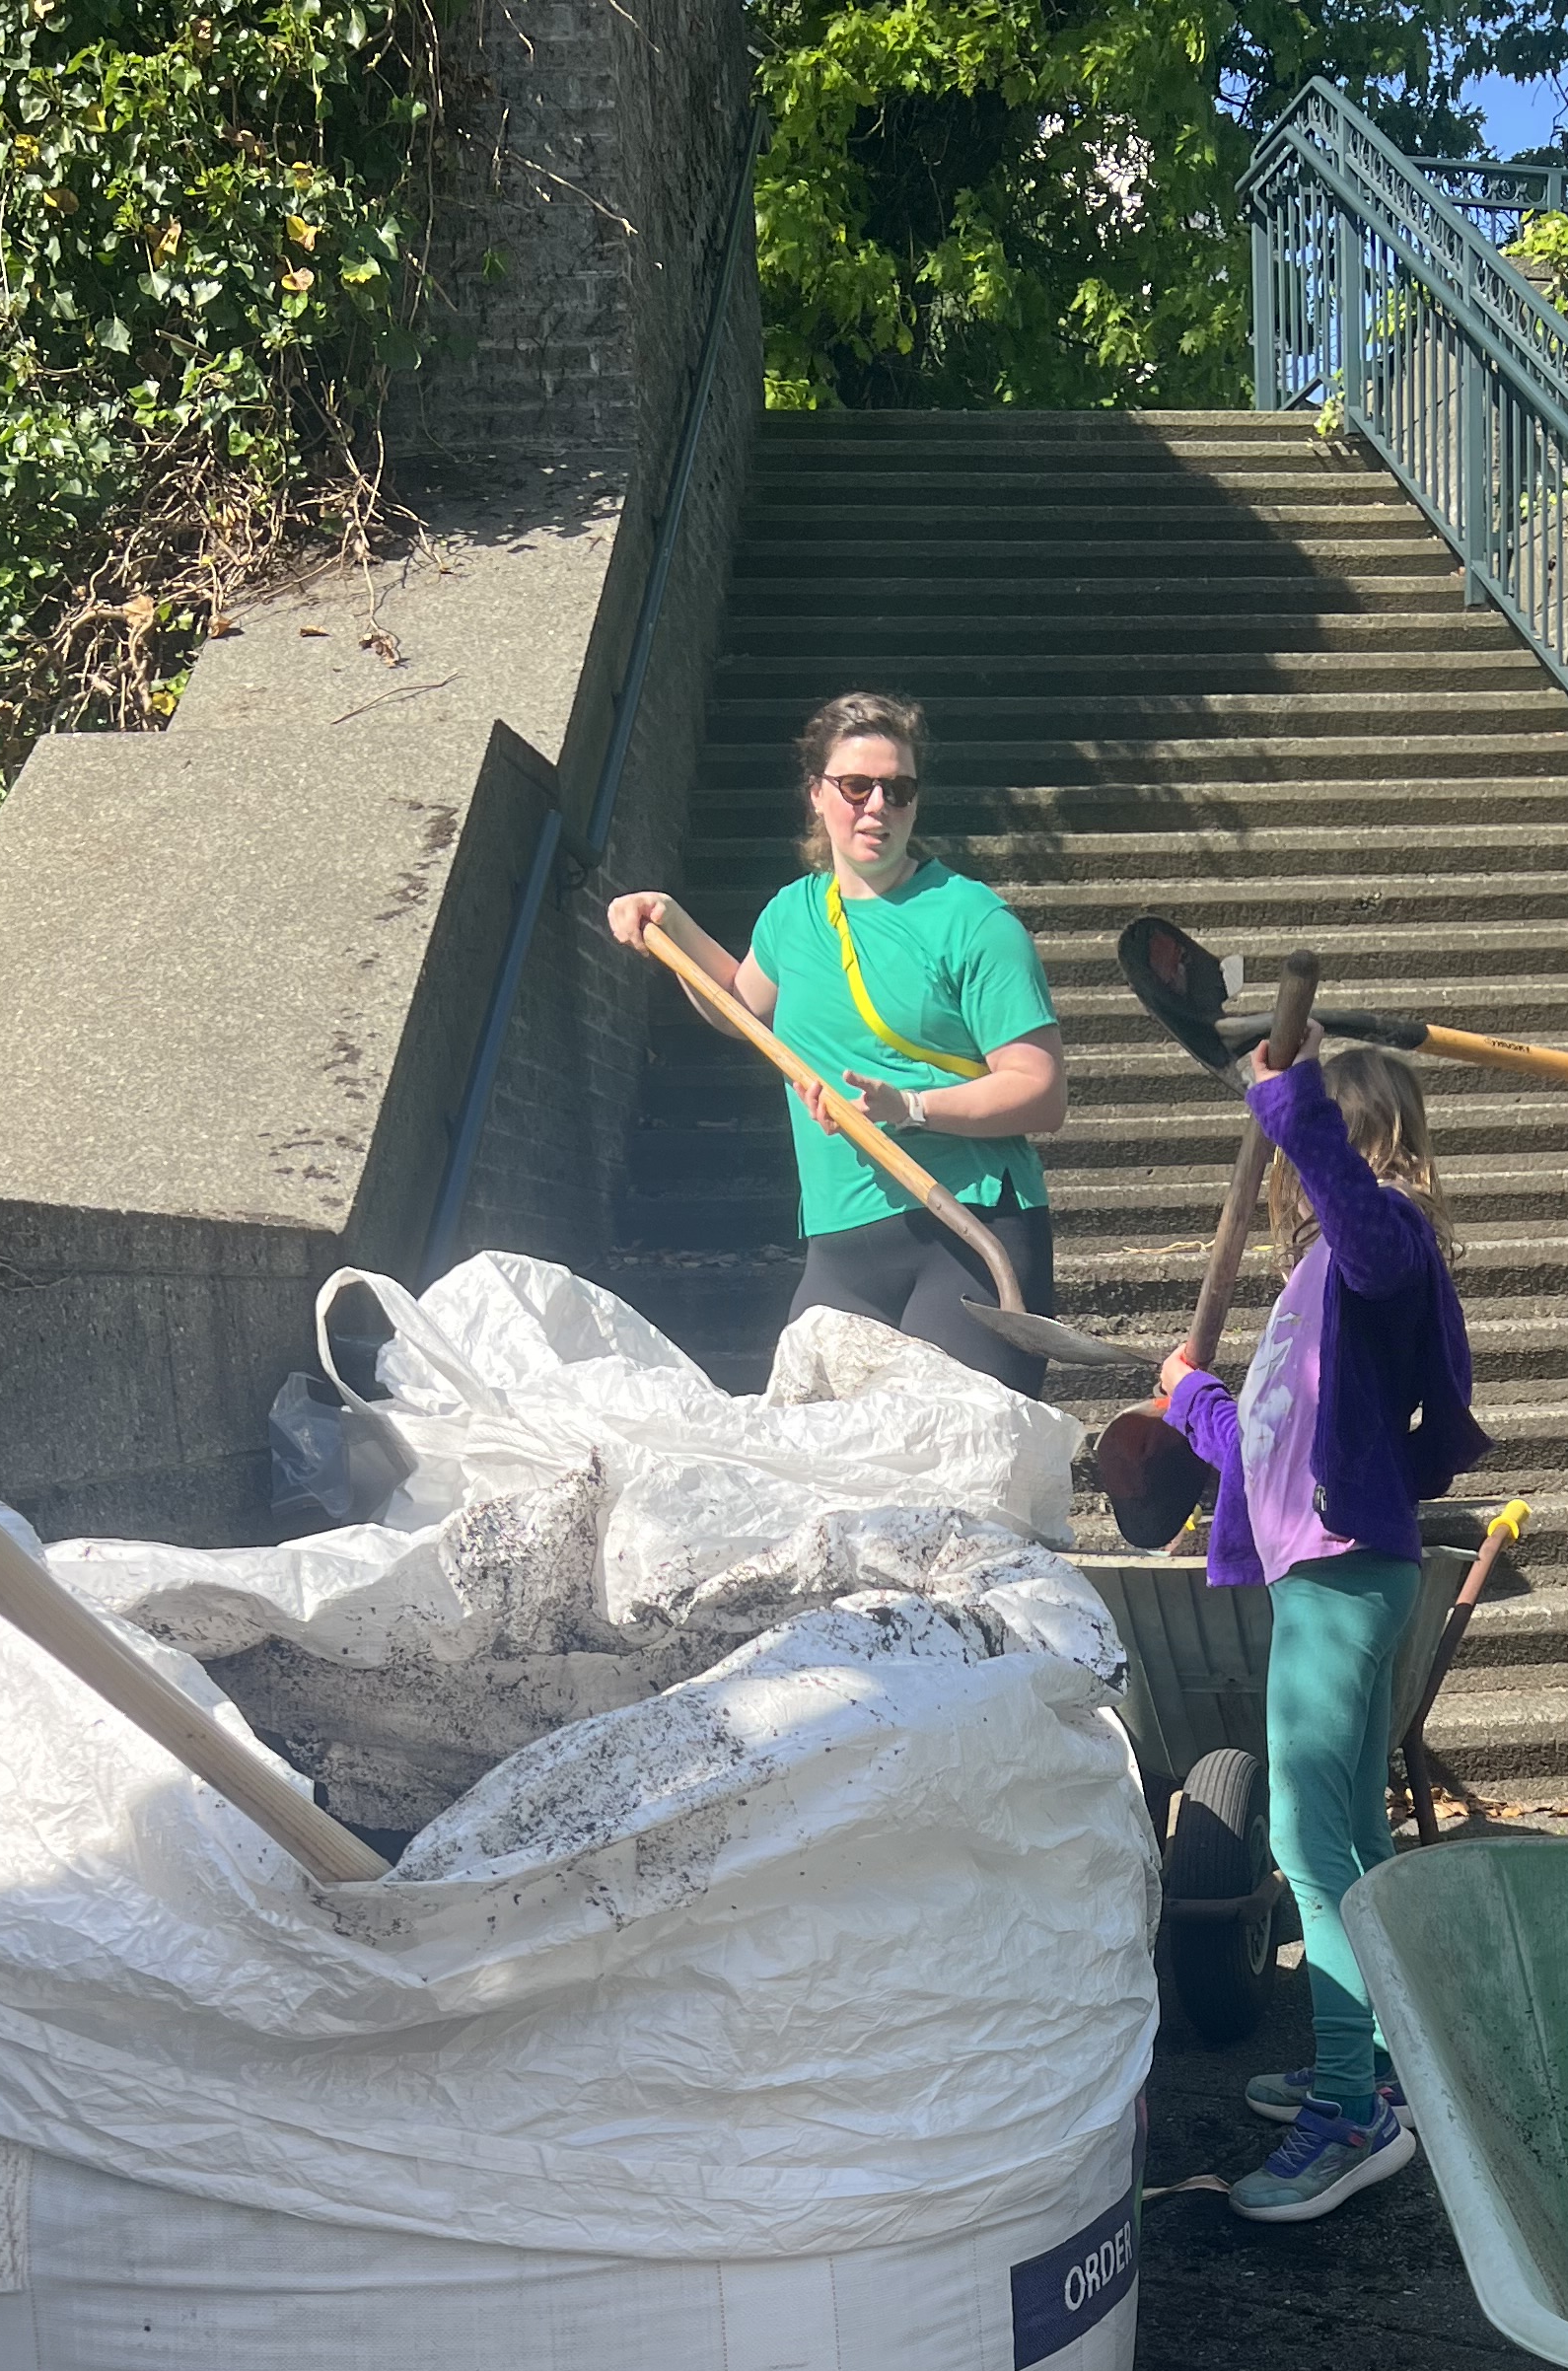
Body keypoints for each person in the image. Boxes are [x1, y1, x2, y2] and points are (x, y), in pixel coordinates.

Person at [1156, 1032, 1483, 2225]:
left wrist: (1282, 1097)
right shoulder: (1315, 1289)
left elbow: (1364, 1223)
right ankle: (1379, 2062)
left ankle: (1352, 2117)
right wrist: (1192, 1400)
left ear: (1342, 1145)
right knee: (1349, 1832)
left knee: (1304, 1845)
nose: (1290, 1170)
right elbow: (1266, 1446)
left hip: (1345, 1577)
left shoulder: (1384, 1240)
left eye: (1305, 1146)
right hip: (1330, 1576)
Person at [606, 691, 1064, 1386]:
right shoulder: (793, 914)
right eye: (856, 786)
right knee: (815, 1452)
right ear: (818, 795)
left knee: (948, 1454)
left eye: (898, 789)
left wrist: (910, 1107)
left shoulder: (974, 921)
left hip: (968, 1231)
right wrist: (672, 922)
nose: (878, 806)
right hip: (840, 1246)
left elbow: (1041, 1092)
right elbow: (738, 1009)